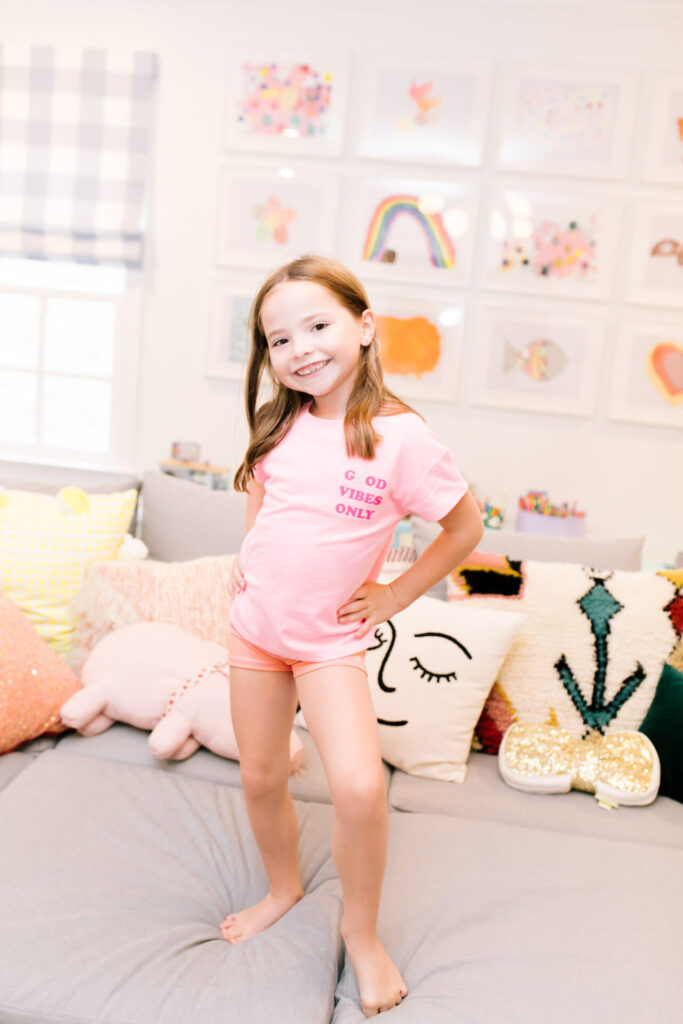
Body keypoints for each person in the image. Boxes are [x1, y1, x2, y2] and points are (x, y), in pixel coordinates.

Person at [222, 254, 484, 1016]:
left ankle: (362, 937)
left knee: (361, 788)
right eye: (279, 339)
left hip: (327, 642)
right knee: (260, 777)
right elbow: (265, 501)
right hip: (255, 633)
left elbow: (463, 526)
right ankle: (282, 886)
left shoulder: (401, 438)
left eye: (317, 325)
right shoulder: (279, 421)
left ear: (364, 326)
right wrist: (247, 564)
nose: (299, 347)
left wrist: (397, 592)